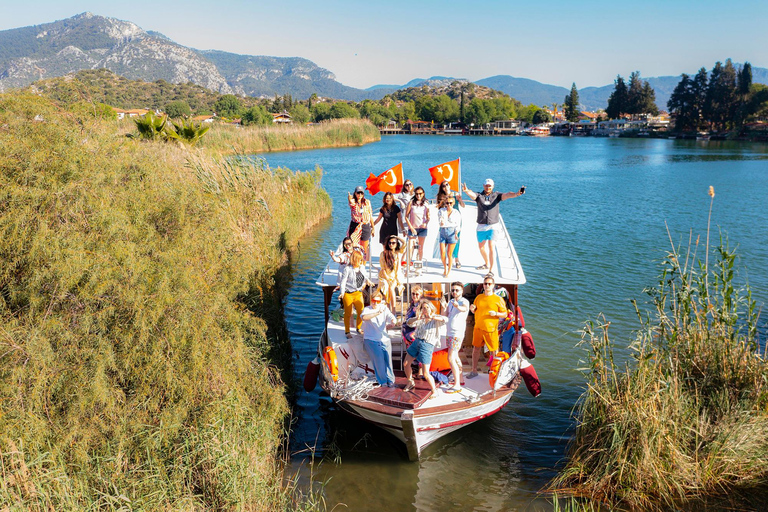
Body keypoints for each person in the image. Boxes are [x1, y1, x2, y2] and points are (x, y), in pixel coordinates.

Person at [461, 179, 525, 275]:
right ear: (483, 186)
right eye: (486, 185)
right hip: (481, 226)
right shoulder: (479, 196)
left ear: (493, 186)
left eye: (490, 186)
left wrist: (517, 194)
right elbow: (472, 195)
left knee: (491, 246)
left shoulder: (497, 196)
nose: (488, 187)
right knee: (481, 247)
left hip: (493, 226)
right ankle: (486, 264)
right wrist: (466, 191)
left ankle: (491, 270)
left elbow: (507, 195)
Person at [403, 301, 448, 398]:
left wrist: (432, 317)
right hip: (417, 342)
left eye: (427, 307)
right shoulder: (421, 319)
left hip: (427, 345)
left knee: (425, 373)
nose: (425, 309)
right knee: (406, 363)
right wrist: (416, 318)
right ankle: (410, 381)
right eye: (423, 308)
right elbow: (408, 323)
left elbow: (445, 319)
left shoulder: (436, 319)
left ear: (431, 308)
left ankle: (434, 390)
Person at [467, 274, 507, 378]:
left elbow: (505, 314)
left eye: (489, 284)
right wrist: (472, 309)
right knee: (476, 349)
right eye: (485, 284)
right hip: (478, 328)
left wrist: (496, 314)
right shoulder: (479, 297)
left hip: (491, 330)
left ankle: (495, 372)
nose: (487, 285)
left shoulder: (498, 299)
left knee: (494, 351)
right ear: (483, 285)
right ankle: (474, 370)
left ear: (493, 285)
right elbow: (475, 309)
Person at [360, 291, 397, 387]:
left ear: (381, 301)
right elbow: (364, 317)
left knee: (388, 360)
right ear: (370, 300)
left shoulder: (384, 308)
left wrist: (393, 321)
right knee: (379, 361)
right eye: (373, 300)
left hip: (384, 339)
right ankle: (383, 382)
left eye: (377, 301)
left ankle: (391, 380)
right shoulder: (367, 309)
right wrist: (376, 313)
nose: (375, 303)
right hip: (371, 340)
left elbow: (391, 317)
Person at [339, 250, 373, 339]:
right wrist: (342, 293)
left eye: (361, 260)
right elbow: (343, 282)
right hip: (348, 293)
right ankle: (347, 331)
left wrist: (368, 281)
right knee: (348, 313)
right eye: (359, 260)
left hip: (358, 293)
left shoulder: (362, 267)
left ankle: (358, 328)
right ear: (354, 259)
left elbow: (365, 276)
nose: (361, 262)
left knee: (361, 311)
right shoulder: (347, 269)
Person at [441, 282, 469, 390]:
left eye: (457, 290)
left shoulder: (464, 301)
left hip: (457, 334)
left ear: (462, 291)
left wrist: (458, 306)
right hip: (449, 332)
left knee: (451, 358)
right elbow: (445, 315)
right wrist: (444, 307)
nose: (454, 292)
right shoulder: (451, 301)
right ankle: (460, 380)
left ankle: (457, 384)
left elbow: (464, 308)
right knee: (455, 356)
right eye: (453, 290)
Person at [436, 180, 465, 269]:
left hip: (455, 218)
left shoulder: (456, 195)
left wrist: (459, 200)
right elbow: (439, 209)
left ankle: (456, 259)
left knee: (456, 239)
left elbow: (463, 205)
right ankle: (448, 259)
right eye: (443, 186)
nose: (446, 187)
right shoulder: (441, 197)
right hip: (445, 220)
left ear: (449, 185)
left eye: (447, 184)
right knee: (445, 239)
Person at [376, 235, 406, 312]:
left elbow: (404, 243)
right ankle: (388, 309)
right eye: (390, 243)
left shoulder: (398, 253)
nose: (391, 244)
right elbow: (383, 269)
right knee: (385, 286)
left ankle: (393, 310)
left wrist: (397, 237)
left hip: (395, 277)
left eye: (393, 243)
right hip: (384, 275)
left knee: (391, 288)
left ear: (396, 244)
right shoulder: (383, 254)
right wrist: (387, 279)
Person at [347, 186, 375, 259]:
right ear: (355, 193)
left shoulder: (367, 202)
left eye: (361, 193)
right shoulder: (353, 202)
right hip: (355, 225)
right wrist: (349, 198)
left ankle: (363, 264)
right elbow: (351, 202)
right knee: (353, 245)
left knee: (364, 247)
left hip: (365, 225)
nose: (359, 195)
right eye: (358, 193)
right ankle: (354, 262)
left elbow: (370, 215)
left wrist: (373, 227)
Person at [437, 196, 461, 277]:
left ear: (453, 203)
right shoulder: (441, 211)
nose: (449, 204)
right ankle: (445, 268)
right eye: (447, 203)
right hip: (443, 232)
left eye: (450, 203)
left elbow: (458, 225)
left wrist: (456, 233)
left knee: (449, 254)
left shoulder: (456, 212)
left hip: (452, 232)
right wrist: (441, 222)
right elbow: (440, 220)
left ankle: (449, 271)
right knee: (442, 253)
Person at [405, 186, 430, 263]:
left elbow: (428, 217)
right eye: (417, 194)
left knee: (420, 247)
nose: (418, 195)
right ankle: (408, 265)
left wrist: (425, 223)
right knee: (411, 247)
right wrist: (411, 227)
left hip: (422, 229)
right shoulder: (411, 203)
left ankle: (419, 264)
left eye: (420, 194)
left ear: (423, 194)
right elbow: (406, 216)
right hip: (412, 228)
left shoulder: (426, 204)